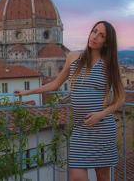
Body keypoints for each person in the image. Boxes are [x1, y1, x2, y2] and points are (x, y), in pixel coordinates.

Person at [14, 21, 125, 181]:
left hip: (102, 128)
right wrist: (28, 91)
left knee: (102, 176)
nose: (95, 37)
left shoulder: (109, 64)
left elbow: (120, 97)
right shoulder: (73, 57)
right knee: (76, 177)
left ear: (106, 42)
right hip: (81, 127)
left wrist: (101, 115)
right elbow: (55, 84)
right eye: (94, 31)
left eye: (101, 35)